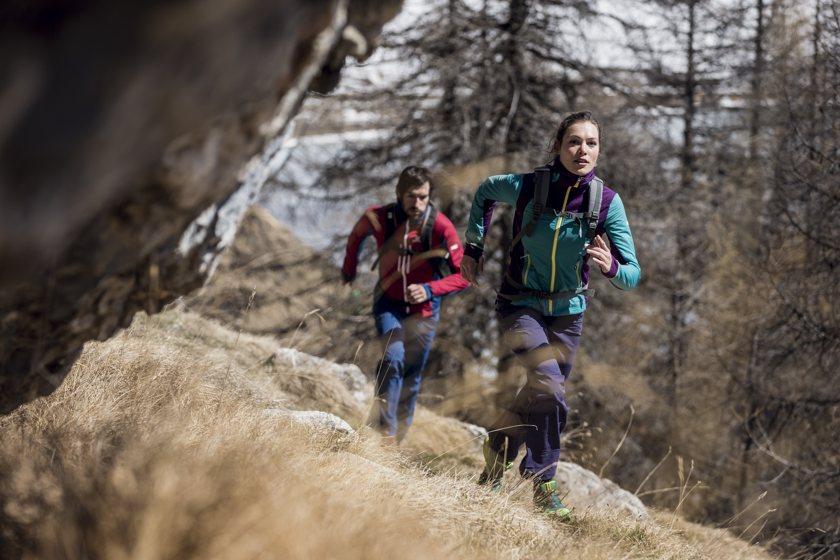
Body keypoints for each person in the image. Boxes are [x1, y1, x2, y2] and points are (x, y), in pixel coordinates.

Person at [460, 111, 641, 518]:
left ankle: (494, 460)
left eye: (591, 143)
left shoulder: (605, 202)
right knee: (551, 388)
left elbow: (632, 274)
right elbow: (486, 191)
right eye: (574, 141)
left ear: (599, 150)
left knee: (541, 393)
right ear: (558, 146)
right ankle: (542, 482)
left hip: (568, 313)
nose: (582, 150)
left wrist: (611, 267)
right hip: (520, 303)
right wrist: (474, 247)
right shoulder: (528, 187)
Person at [342, 166, 469, 444]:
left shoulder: (440, 227)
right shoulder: (381, 217)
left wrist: (430, 289)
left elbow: (464, 276)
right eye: (412, 196)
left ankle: (394, 440)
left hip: (424, 313)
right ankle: (383, 432)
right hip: (389, 305)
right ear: (400, 194)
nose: (418, 203)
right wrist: (348, 271)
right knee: (392, 358)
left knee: (411, 378)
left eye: (424, 197)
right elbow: (356, 236)